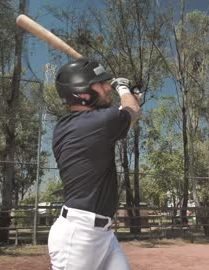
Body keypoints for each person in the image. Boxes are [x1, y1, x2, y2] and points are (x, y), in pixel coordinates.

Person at [48, 58, 141, 270]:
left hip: (102, 234)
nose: (108, 87)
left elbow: (120, 116)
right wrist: (124, 88)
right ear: (82, 94)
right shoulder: (99, 123)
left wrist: (130, 98)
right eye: (101, 84)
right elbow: (132, 112)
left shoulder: (66, 126)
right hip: (78, 237)